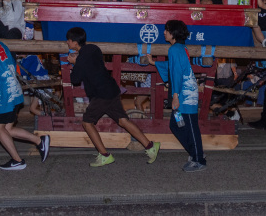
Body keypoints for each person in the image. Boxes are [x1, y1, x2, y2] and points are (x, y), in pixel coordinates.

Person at [65, 26, 161, 167]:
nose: (67, 43)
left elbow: (75, 79)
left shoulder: (81, 58)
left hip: (101, 94)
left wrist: (74, 62)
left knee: (87, 122)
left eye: (68, 41)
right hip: (111, 90)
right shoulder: (94, 48)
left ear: (74, 42)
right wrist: (78, 60)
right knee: (123, 121)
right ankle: (150, 146)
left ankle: (104, 155)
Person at [0, 20, 50, 170]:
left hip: (2, 96)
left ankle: (17, 160)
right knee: (7, 128)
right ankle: (39, 141)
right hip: (14, 92)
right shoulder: (1, 45)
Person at [141, 19, 206, 171]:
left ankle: (199, 160)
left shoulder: (174, 49)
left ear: (173, 33)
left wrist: (175, 96)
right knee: (177, 125)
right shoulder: (180, 48)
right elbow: (173, 67)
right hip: (183, 92)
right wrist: (155, 63)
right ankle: (195, 152)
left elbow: (176, 73)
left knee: (189, 126)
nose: (164, 32)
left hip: (184, 95)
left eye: (167, 30)